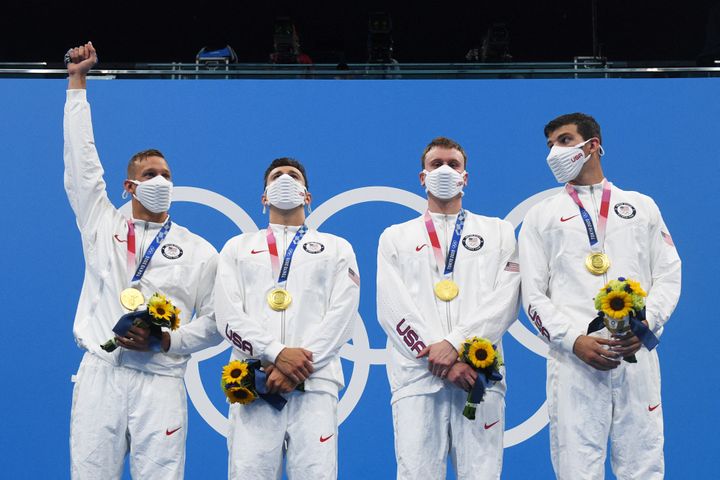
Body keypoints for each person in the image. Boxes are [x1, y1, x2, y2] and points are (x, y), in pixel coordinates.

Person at [64, 42, 222, 479]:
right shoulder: (100, 224)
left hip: (161, 380)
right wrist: (77, 83)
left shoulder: (198, 249)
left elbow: (214, 323)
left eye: (167, 175)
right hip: (102, 373)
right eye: (150, 175)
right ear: (129, 186)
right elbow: (81, 163)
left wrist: (168, 341)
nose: (161, 181)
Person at [519, 112, 682, 479]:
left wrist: (645, 324)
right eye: (549, 146)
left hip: (635, 356)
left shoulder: (641, 206)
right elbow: (533, 295)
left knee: (644, 465)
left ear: (592, 145)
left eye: (563, 141)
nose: (553, 153)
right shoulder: (541, 216)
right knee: (577, 469)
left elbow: (669, 274)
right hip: (575, 361)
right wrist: (573, 340)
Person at [376, 137, 521, 479]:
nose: (444, 170)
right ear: (422, 177)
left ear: (465, 177)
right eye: (435, 164)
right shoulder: (394, 236)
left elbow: (506, 299)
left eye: (453, 164)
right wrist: (435, 357)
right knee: (416, 473)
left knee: (482, 474)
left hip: (478, 372)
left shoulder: (499, 231)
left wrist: (456, 345)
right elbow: (390, 306)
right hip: (416, 376)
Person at [214, 158, 360, 480]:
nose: (284, 179)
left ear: (307, 196)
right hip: (256, 384)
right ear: (264, 197)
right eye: (276, 176)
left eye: (292, 176)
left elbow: (343, 316)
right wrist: (276, 353)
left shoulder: (337, 248)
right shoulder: (237, 248)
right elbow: (226, 315)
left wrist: (299, 365)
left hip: (316, 385)